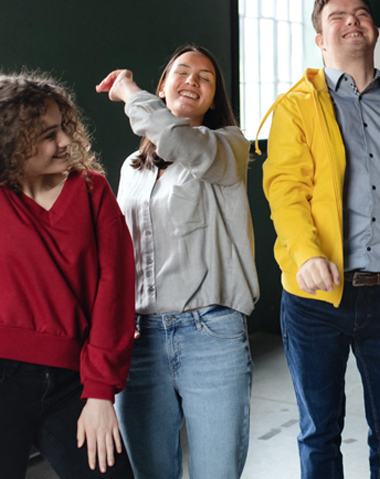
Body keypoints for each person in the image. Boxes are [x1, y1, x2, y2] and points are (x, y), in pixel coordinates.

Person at [260, 0, 380, 478]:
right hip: (315, 300)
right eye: (337, 16)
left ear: (374, 30)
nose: (352, 21)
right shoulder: (296, 107)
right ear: (320, 40)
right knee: (319, 431)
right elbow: (285, 189)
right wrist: (306, 253)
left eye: (361, 13)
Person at [96, 45, 259, 479]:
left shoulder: (228, 147)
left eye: (205, 78)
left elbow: (179, 140)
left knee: (216, 472)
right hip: (141, 339)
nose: (192, 81)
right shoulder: (132, 168)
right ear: (163, 87)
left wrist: (129, 91)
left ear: (213, 98)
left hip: (212, 334)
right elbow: (120, 251)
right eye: (182, 72)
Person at [0, 71, 136, 478]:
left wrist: (100, 393)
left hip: (74, 380)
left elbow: (114, 293)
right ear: (11, 142)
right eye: (47, 135)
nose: (63, 141)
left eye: (62, 127)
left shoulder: (92, 189)